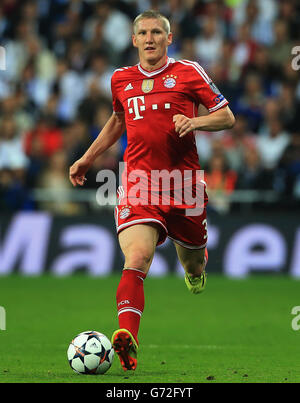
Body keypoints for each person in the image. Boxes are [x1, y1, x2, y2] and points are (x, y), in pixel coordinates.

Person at [69, 10, 235, 372]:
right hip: (139, 183)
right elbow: (117, 121)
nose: (149, 38)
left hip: (185, 186)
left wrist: (196, 121)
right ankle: (128, 339)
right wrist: (87, 157)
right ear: (133, 40)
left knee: (192, 261)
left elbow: (226, 116)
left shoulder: (189, 72)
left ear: (168, 38)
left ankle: (195, 272)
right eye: (142, 32)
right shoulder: (120, 80)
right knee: (138, 257)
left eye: (156, 32)